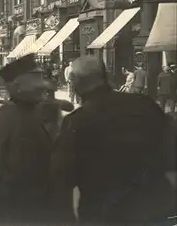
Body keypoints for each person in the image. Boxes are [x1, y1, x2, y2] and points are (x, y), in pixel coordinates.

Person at [50, 56, 176, 224]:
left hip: (105, 214)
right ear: (105, 76)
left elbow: (62, 179)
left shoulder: (77, 122)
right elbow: (170, 154)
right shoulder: (144, 104)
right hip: (153, 209)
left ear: (76, 82)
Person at [0, 54, 63, 225]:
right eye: (35, 81)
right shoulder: (7, 115)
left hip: (43, 200)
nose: (42, 87)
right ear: (18, 87)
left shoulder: (42, 111)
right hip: (17, 202)